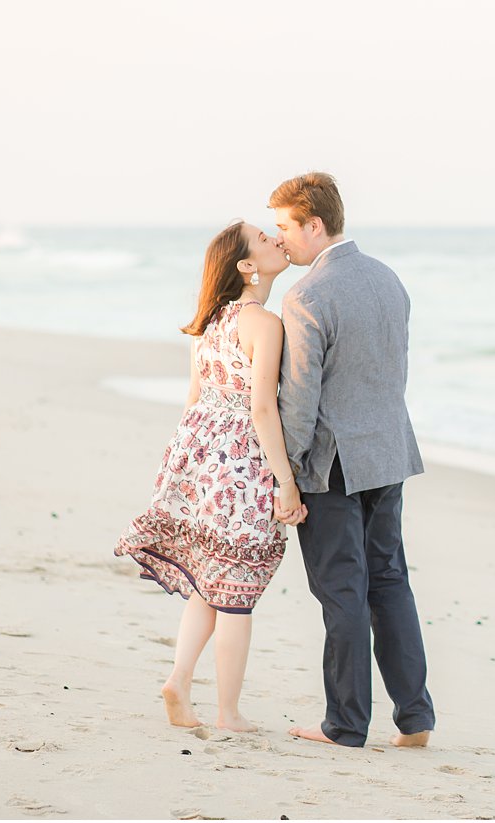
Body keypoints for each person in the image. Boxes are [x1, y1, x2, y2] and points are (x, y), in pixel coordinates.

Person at [113, 220, 306, 732]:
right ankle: (228, 712)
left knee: (208, 584)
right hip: (241, 465)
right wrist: (286, 483)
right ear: (246, 266)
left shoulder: (209, 322)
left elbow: (194, 401)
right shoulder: (262, 322)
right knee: (236, 595)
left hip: (198, 457)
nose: (276, 240)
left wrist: (183, 471)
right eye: (264, 239)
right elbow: (263, 409)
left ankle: (179, 680)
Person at [269, 171, 435, 748]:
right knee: (389, 581)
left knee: (343, 590)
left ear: (315, 224)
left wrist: (283, 471)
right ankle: (415, 718)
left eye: (286, 227)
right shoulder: (388, 280)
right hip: (387, 452)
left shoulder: (307, 295)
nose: (281, 239)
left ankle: (344, 725)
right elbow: (394, 370)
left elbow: (299, 397)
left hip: (333, 463)